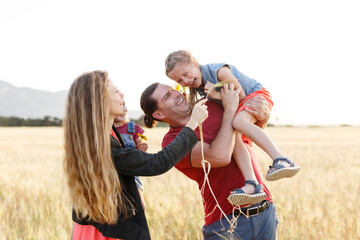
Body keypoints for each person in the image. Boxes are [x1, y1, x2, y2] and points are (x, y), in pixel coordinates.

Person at [63, 70, 208, 240]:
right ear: (99, 101)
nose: (122, 94)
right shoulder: (104, 145)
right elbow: (157, 163)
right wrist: (191, 125)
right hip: (111, 234)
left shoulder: (95, 139)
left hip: (92, 230)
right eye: (116, 91)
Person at [140, 82, 278, 240]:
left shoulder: (210, 104)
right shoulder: (173, 142)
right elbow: (220, 156)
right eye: (167, 96)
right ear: (158, 115)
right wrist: (230, 110)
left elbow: (246, 136)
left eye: (173, 90)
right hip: (227, 222)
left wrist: (263, 118)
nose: (176, 94)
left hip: (265, 212)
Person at [165, 50, 300, 206]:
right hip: (240, 106)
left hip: (255, 96)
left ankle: (281, 159)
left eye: (186, 74)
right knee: (233, 139)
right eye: (180, 80)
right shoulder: (198, 84)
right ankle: (252, 183)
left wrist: (216, 95)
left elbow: (240, 96)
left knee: (238, 123)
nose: (185, 81)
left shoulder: (220, 72)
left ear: (195, 63)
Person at [113, 98, 148, 212]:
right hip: (113, 174)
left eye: (124, 105)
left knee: (140, 206)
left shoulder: (131, 128)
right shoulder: (106, 130)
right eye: (119, 105)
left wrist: (142, 148)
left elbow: (140, 147)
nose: (124, 109)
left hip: (131, 173)